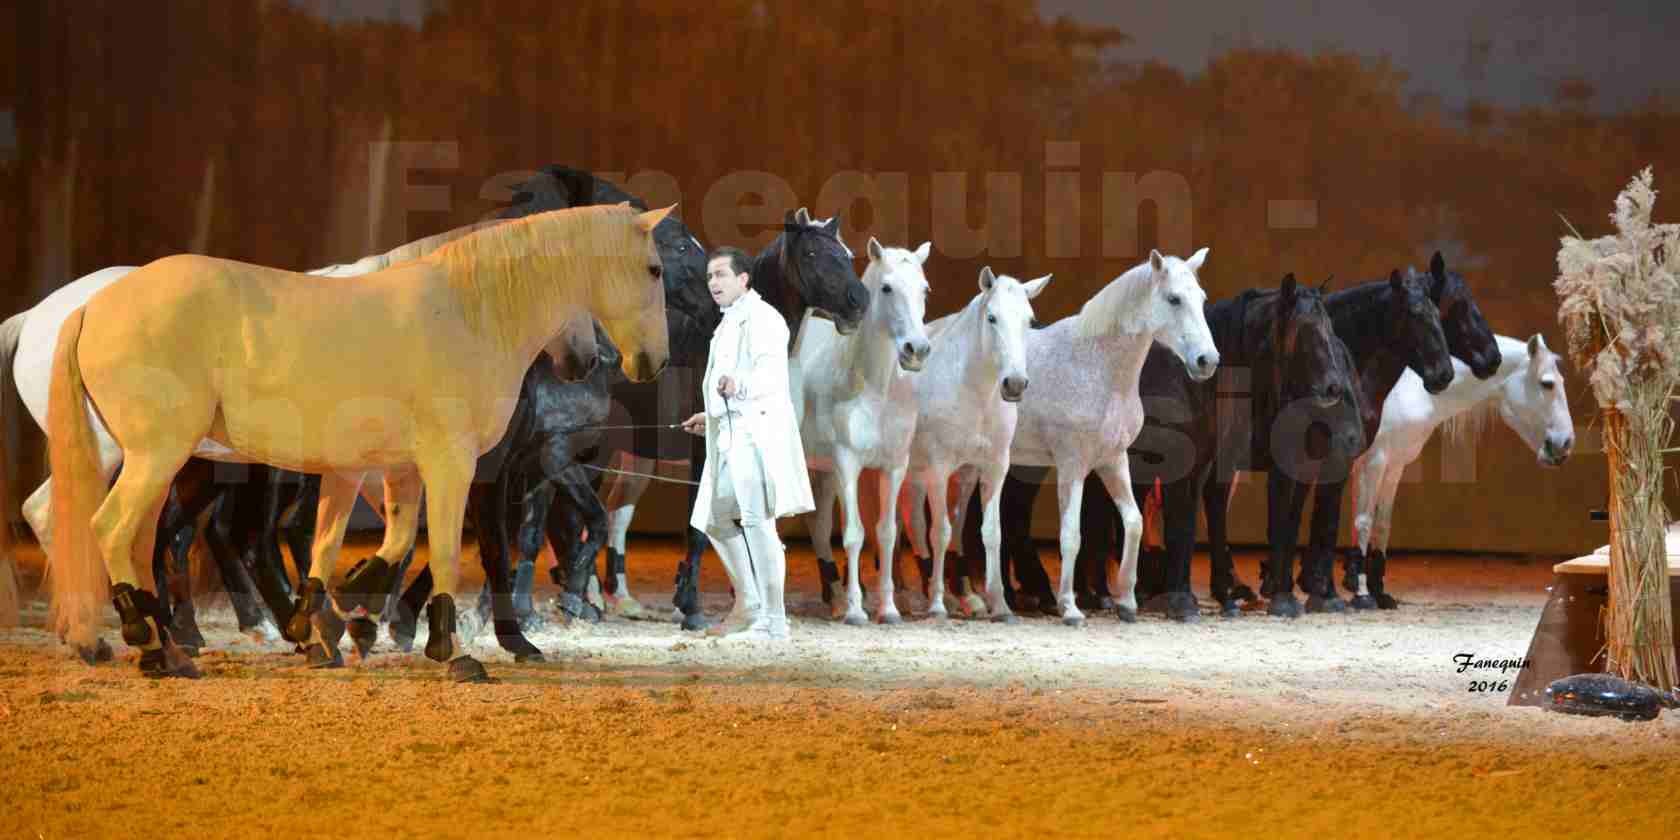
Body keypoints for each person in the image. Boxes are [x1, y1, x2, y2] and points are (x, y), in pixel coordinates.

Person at [682, 246, 814, 640]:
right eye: (710, 277)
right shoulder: (728, 322)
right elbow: (729, 386)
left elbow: (771, 378)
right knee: (715, 518)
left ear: (743, 279)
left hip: (756, 435)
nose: (713, 283)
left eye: (721, 275)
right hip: (730, 435)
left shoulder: (764, 319)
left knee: (759, 523)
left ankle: (775, 622)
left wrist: (738, 387)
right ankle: (751, 604)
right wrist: (712, 416)